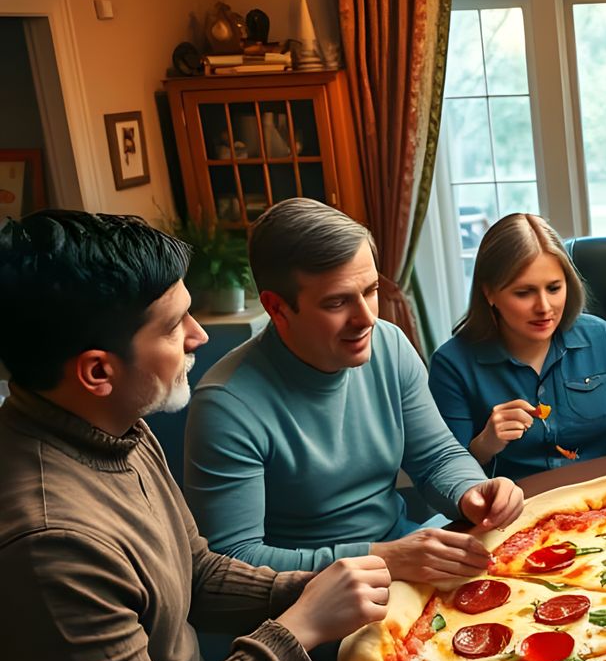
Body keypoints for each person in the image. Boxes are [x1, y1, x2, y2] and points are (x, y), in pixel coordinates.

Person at [0, 211, 393, 661]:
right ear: (98, 370)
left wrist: (321, 587)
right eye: (173, 325)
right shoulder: (49, 543)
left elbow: (198, 573)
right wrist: (297, 628)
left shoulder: (113, 424)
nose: (199, 335)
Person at [185, 199, 523, 584]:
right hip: (302, 600)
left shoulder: (390, 344)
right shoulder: (226, 405)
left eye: (371, 289)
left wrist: (472, 490)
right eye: (337, 302)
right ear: (276, 308)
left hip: (405, 561)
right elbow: (231, 563)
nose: (366, 318)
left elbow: (436, 457)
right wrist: (381, 558)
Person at [428, 213, 606, 477]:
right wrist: (485, 445)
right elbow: (446, 480)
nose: (544, 308)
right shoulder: (452, 365)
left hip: (605, 503)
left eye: (554, 288)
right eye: (524, 293)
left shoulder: (599, 337)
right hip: (516, 511)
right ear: (489, 293)